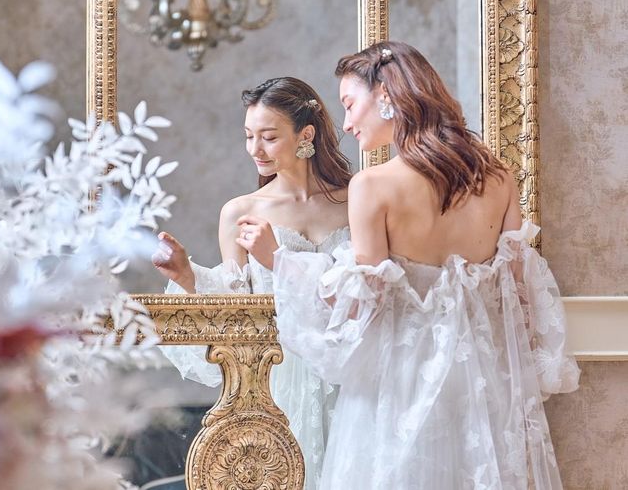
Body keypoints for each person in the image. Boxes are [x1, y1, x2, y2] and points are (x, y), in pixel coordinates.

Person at [245, 42, 580, 490]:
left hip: (396, 389)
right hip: (480, 388)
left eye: (350, 104)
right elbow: (518, 299)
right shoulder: (499, 178)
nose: (347, 123)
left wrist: (280, 261)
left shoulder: (372, 186)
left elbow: (360, 308)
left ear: (385, 95)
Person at [152, 76, 351, 490]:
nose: (254, 149)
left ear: (306, 135)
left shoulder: (356, 202)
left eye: (269, 137)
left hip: (350, 375)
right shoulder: (240, 212)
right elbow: (235, 308)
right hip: (277, 380)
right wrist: (187, 276)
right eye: (248, 136)